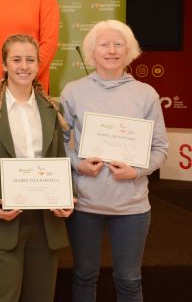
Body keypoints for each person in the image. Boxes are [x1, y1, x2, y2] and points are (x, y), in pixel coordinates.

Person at [60, 20, 168, 302]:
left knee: (129, 280)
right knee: (84, 276)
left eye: (118, 44)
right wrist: (77, 164)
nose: (111, 50)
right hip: (85, 204)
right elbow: (57, 144)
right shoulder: (73, 91)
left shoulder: (146, 94)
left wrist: (136, 171)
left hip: (131, 207)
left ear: (129, 50)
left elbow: (160, 149)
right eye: (104, 44)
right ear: (91, 52)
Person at [0, 34, 72, 302]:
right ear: (5, 65)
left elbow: (59, 160)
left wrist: (67, 196)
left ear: (38, 64)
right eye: (17, 59)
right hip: (3, 219)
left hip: (46, 223)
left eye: (30, 59)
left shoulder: (51, 108)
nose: (24, 66)